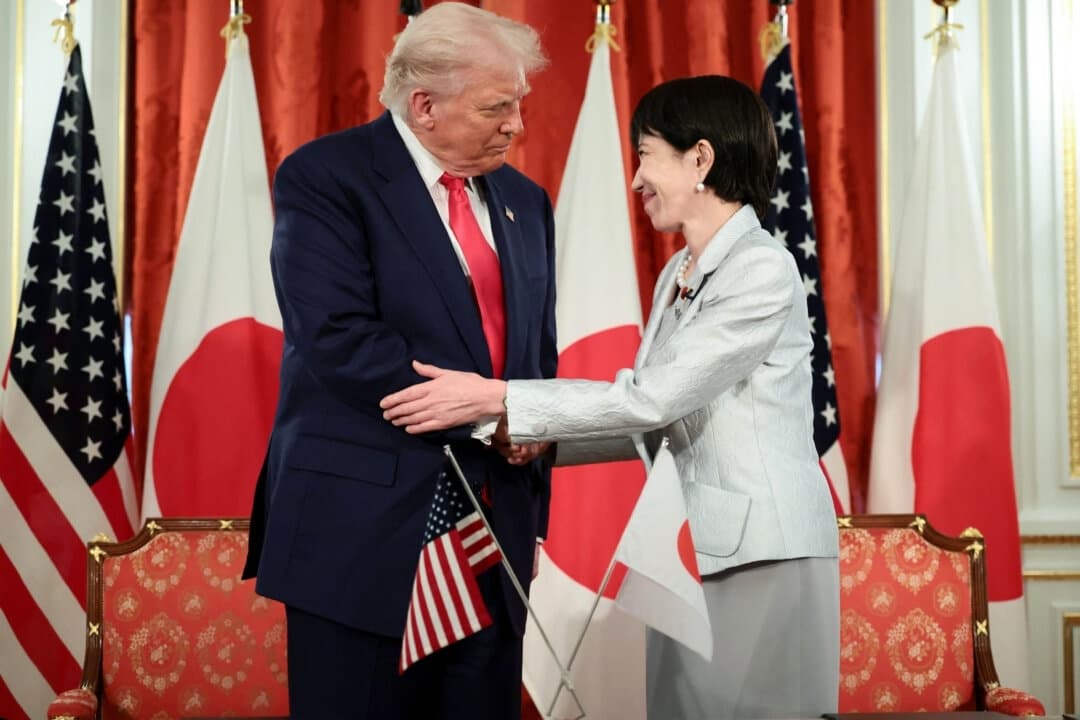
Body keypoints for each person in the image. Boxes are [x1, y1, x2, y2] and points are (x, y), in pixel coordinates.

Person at [381, 75, 841, 719]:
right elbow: (660, 423)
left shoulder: (760, 268)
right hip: (689, 550)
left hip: (759, 553)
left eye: (648, 154)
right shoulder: (677, 275)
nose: (636, 179)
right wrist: (544, 442)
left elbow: (653, 399)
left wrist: (499, 398)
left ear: (701, 159)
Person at [242, 4, 557, 719]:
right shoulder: (327, 177)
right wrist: (491, 417)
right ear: (425, 106)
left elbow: (535, 352)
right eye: (497, 107)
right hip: (361, 530)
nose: (517, 125)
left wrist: (533, 418)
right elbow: (340, 338)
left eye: (518, 104)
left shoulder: (525, 201)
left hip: (493, 531)